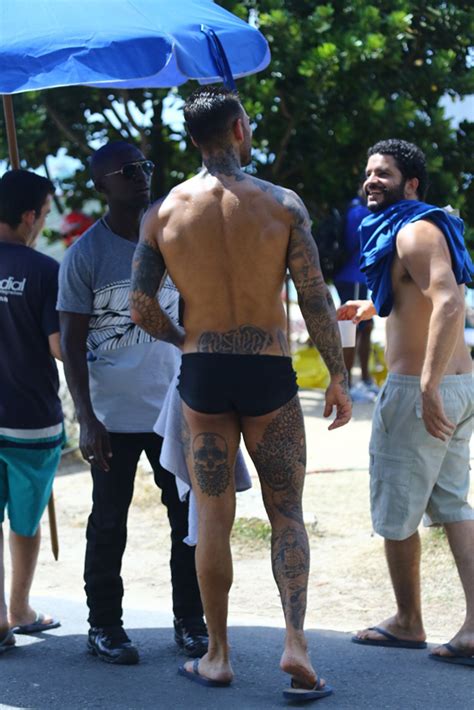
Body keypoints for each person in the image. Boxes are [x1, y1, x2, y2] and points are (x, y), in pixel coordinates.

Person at [129, 87, 351, 699]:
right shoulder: (282, 206)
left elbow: (139, 305)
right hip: (269, 373)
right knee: (287, 517)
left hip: (203, 374)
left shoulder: (164, 213)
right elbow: (314, 297)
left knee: (213, 520)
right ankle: (295, 645)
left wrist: (184, 340)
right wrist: (336, 375)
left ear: (193, 138)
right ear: (238, 129)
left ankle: (218, 656)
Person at [57, 142, 207, 665]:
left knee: (186, 516)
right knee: (109, 521)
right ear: (102, 185)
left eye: (145, 167)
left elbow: (194, 317)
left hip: (172, 406)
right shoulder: (85, 255)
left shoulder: (173, 242)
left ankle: (190, 622)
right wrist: (87, 419)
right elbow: (71, 344)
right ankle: (104, 627)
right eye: (127, 171)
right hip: (112, 417)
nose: (141, 177)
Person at [338, 139, 474, 666]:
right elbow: (421, 294)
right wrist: (374, 306)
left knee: (397, 511)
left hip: (425, 389)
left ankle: (408, 621)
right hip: (456, 385)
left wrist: (425, 383)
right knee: (454, 506)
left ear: (411, 184)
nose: (373, 180)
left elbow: (448, 299)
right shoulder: (413, 226)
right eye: (369, 172)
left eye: (385, 174)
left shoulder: (415, 230)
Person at [0, 170, 62, 654]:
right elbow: (60, 348)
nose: (43, 223)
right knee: (26, 519)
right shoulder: (44, 271)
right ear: (27, 216)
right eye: (43, 214)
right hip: (31, 421)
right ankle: (19, 608)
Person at [333, 191, 378, 401]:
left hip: (350, 275)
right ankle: (349, 384)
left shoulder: (353, 210)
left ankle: (358, 381)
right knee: (354, 328)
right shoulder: (361, 212)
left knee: (362, 327)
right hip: (355, 275)